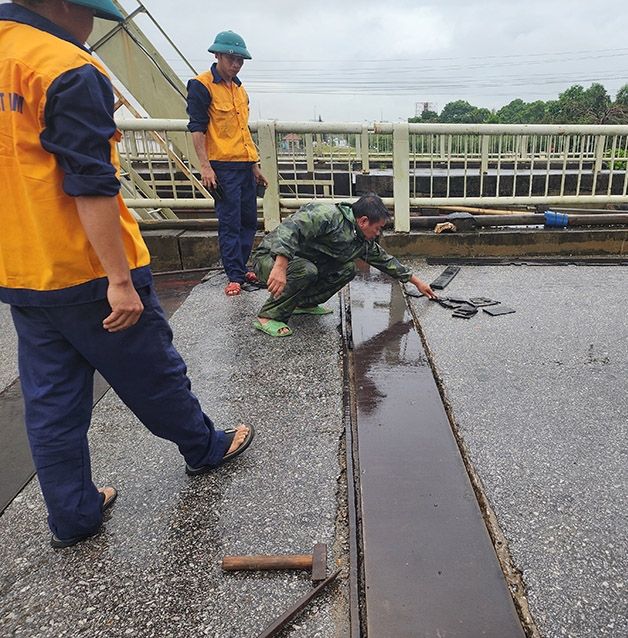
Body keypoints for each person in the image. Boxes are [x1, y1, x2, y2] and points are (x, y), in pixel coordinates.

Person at [0, 0, 253, 549]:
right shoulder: (64, 64)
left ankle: (73, 514)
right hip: (86, 266)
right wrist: (118, 277)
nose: (92, 23)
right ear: (63, 4)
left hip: (21, 268)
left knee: (51, 403)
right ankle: (204, 448)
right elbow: (89, 179)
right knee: (152, 371)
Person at [251, 194, 437, 337]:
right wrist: (280, 266)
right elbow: (290, 228)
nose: (379, 233)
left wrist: (418, 283)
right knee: (306, 270)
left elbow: (387, 262)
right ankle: (268, 316)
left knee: (346, 269)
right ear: (364, 220)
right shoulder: (327, 215)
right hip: (270, 259)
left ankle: (302, 304)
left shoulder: (361, 241)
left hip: (299, 263)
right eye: (378, 228)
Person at [187, 29, 267, 297]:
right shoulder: (202, 85)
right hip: (222, 166)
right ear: (217, 55)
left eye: (240, 60)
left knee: (248, 220)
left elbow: (243, 130)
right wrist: (205, 167)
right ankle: (234, 274)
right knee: (229, 221)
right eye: (231, 59)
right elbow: (197, 128)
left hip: (244, 165)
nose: (236, 64)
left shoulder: (239, 89)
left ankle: (241, 267)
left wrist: (254, 165)